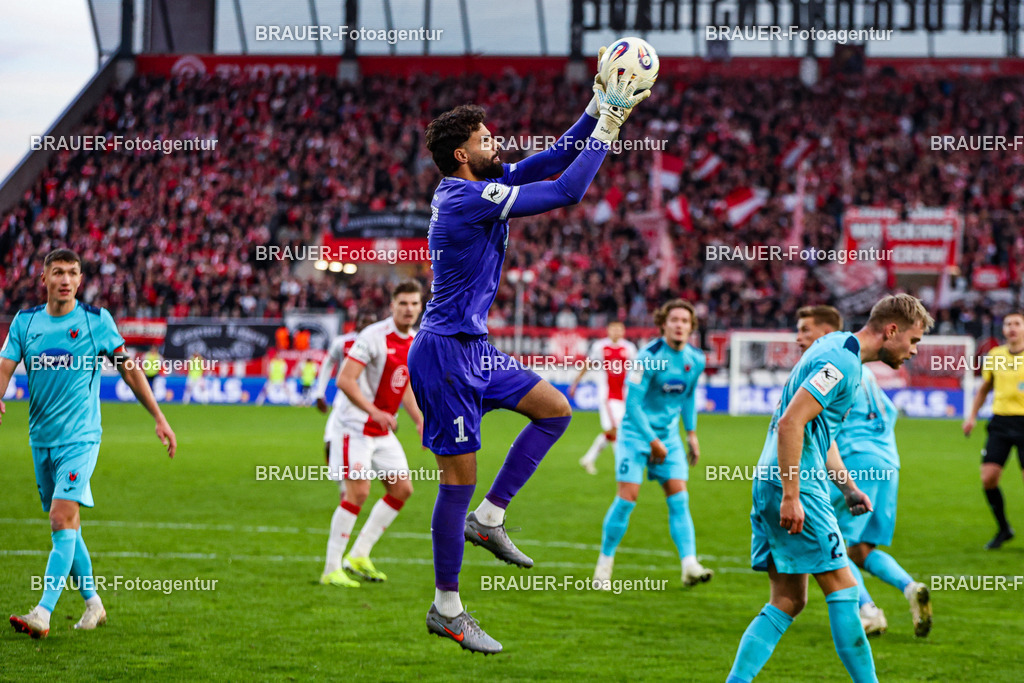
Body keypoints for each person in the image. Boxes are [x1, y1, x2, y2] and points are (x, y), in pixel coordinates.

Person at [408, 55, 650, 653]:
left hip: (475, 348)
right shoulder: (466, 199)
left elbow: (551, 157)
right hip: (443, 357)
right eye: (487, 139)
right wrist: (612, 124)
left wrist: (597, 107)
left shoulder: (474, 186)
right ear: (463, 154)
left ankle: (490, 521)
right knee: (454, 483)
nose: (498, 143)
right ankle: (448, 607)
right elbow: (567, 189)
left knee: (556, 410)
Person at [726, 294, 932, 683]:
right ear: (891, 331)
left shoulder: (835, 347)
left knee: (787, 600)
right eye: (913, 340)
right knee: (845, 589)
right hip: (797, 485)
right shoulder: (841, 362)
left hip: (772, 479)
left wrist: (849, 488)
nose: (914, 350)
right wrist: (791, 495)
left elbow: (821, 431)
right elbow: (791, 423)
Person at [0, 249, 177, 639]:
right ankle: (93, 604)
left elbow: (129, 369)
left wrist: (159, 417)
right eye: (58, 272)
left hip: (81, 438)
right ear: (43, 278)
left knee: (61, 516)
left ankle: (42, 613)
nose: (65, 279)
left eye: (73, 273)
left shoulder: (96, 321)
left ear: (81, 281)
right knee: (67, 526)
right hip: (40, 438)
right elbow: (6, 365)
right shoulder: (26, 322)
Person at [796, 305, 931, 638]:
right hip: (888, 462)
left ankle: (867, 610)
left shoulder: (837, 364)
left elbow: (801, 421)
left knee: (826, 539)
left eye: (805, 331)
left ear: (826, 334)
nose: (799, 339)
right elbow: (890, 412)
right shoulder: (865, 370)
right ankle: (909, 586)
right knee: (860, 549)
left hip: (856, 460)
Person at [593, 300, 711, 588]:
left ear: (691, 326)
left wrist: (691, 433)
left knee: (679, 498)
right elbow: (631, 404)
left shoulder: (696, 359)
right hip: (635, 435)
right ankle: (603, 568)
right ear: (664, 324)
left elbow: (688, 398)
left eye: (685, 320)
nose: (680, 325)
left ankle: (689, 565)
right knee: (626, 499)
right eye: (674, 320)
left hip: (667, 437)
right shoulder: (647, 357)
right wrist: (652, 440)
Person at [320, 283, 424, 588]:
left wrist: (419, 420)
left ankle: (359, 554)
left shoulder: (416, 341)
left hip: (381, 430)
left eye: (414, 303)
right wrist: (373, 410)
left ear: (420, 307)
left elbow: (403, 384)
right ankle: (331, 568)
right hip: (354, 427)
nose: (408, 308)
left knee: (402, 489)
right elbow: (345, 379)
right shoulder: (373, 337)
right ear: (392, 305)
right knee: (359, 492)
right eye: (402, 302)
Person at [963, 311, 1024, 549]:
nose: (1012, 328)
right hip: (1000, 423)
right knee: (988, 478)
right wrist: (971, 417)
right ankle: (1004, 528)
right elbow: (984, 388)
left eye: (1017, 323)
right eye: (1008, 323)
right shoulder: (995, 355)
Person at [569, 321, 637, 475]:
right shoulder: (600, 346)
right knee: (617, 429)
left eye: (619, 328)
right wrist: (575, 383)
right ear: (608, 330)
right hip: (607, 396)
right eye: (613, 328)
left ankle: (588, 459)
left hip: (623, 396)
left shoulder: (629, 348)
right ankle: (622, 464)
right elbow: (588, 365)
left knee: (613, 431)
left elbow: (638, 369)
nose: (616, 331)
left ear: (624, 331)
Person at [313, 313, 376, 466]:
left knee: (373, 450)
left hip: (372, 402)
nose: (367, 326)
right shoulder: (342, 342)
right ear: (357, 324)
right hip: (345, 400)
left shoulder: (380, 343)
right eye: (364, 322)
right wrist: (320, 393)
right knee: (330, 442)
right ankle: (340, 479)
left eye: (371, 323)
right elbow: (328, 364)